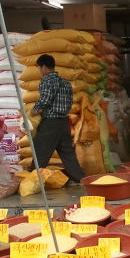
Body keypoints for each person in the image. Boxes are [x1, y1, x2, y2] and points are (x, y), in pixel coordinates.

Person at [29, 54, 85, 183]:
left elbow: (45, 99)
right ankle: (81, 179)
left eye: (39, 68)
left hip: (50, 123)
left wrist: (34, 110)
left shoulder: (47, 80)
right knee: (68, 154)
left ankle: (33, 181)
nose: (40, 71)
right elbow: (69, 102)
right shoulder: (66, 83)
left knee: (40, 151)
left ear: (44, 67)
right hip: (64, 123)